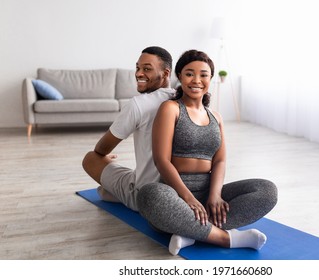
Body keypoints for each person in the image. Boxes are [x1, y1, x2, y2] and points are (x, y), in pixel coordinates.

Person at [137, 50, 278, 255]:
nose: (197, 80)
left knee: (267, 190)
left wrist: (215, 195)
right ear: (180, 76)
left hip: (207, 194)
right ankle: (226, 238)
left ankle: (191, 232)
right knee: (148, 195)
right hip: (174, 196)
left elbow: (220, 161)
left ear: (210, 78)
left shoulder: (216, 117)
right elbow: (161, 160)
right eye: (189, 73)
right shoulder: (171, 108)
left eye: (203, 74)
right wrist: (188, 198)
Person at [82, 46, 175, 211]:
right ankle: (112, 189)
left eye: (147, 69)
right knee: (127, 175)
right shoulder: (183, 100)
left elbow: (101, 149)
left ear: (166, 73)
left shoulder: (138, 104)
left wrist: (105, 159)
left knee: (90, 158)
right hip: (176, 191)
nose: (139, 73)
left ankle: (113, 192)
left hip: (145, 194)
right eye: (138, 68)